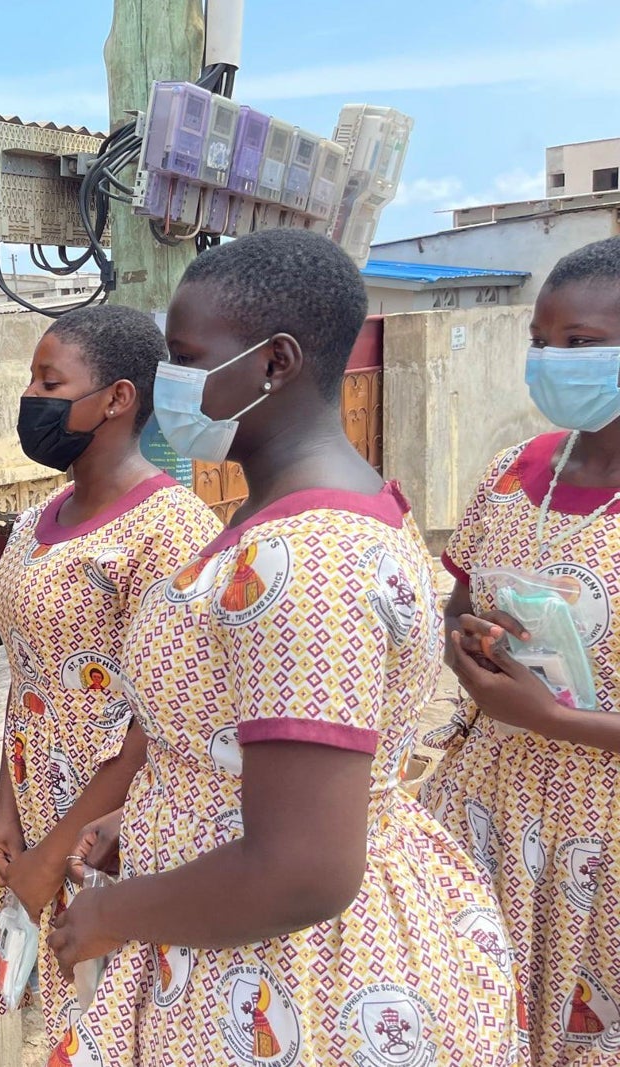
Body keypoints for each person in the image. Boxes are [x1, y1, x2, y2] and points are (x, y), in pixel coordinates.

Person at [44, 229, 519, 1065]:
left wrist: (115, 914)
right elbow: (253, 740)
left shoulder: (307, 561)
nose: (168, 383)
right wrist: (161, 811)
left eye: (187, 356)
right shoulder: (305, 517)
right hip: (248, 939)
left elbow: (304, 869)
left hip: (292, 982)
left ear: (276, 362)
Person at [0, 305, 221, 1051]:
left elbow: (164, 720)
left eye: (50, 381)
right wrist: (7, 811)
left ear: (117, 398)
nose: (31, 397)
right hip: (35, 810)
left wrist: (57, 851)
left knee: (118, 1026)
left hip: (110, 837)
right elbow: (28, 676)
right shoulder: (35, 519)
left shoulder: (172, 530)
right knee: (49, 1015)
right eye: (30, 379)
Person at [420, 235, 620, 1064]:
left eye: (579, 344)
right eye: (542, 342)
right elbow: (459, 603)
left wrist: (551, 718)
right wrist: (465, 642)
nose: (552, 361)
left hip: (599, 840)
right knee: (470, 1018)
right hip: (484, 804)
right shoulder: (512, 470)